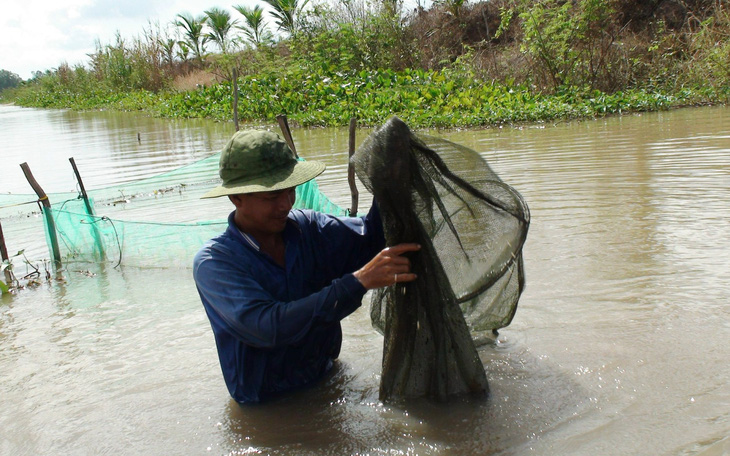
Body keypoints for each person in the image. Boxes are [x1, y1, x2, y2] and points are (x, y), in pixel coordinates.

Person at [193, 129, 420, 404]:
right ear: (236, 198)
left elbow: (371, 239)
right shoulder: (216, 263)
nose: (285, 205)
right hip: (266, 406)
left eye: (290, 191)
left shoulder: (308, 229)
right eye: (271, 197)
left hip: (326, 380)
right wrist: (356, 283)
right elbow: (266, 327)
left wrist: (387, 177)